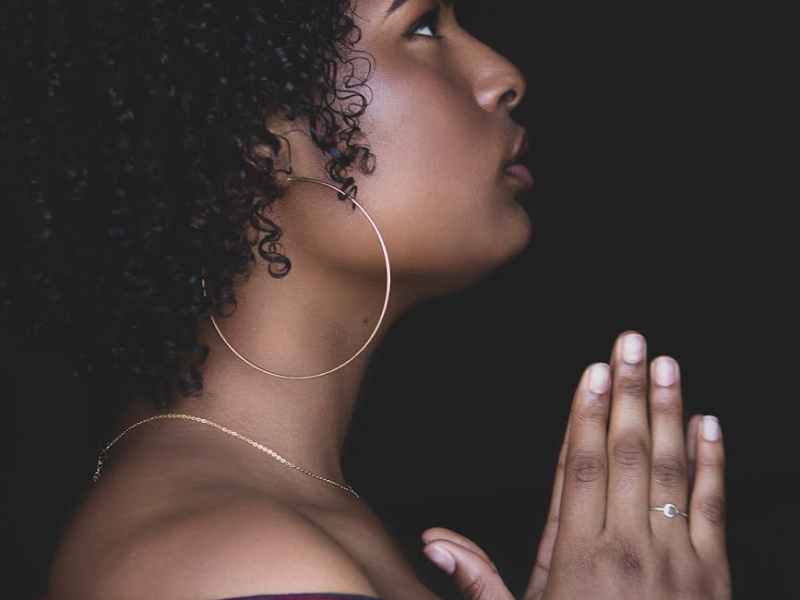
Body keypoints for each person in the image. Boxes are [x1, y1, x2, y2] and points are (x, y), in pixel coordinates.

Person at [2, 1, 732, 599]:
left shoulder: (277, 521)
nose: (501, 74)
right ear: (260, 142)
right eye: (421, 26)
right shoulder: (242, 561)